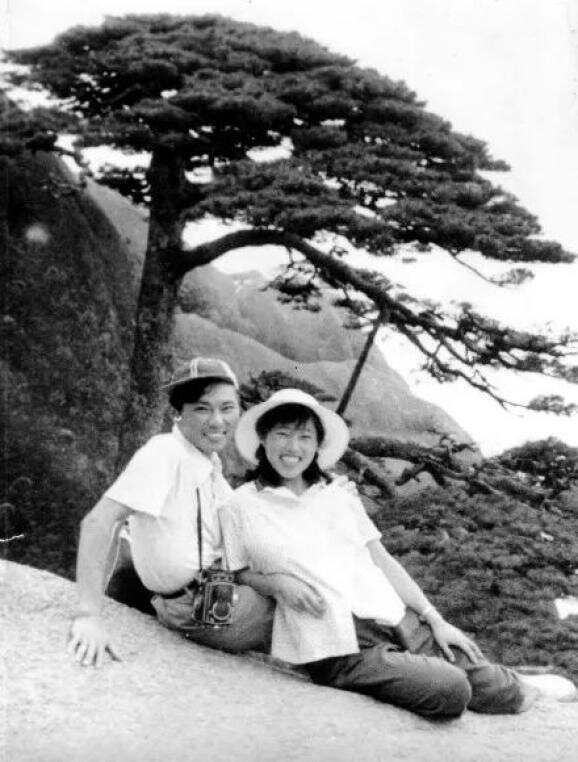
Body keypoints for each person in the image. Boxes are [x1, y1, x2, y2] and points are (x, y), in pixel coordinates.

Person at [219, 388, 536, 719]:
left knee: (500, 689)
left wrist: (435, 619)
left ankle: (520, 683)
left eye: (304, 437)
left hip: (395, 619)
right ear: (263, 438)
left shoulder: (338, 495)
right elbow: (236, 572)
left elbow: (382, 560)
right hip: (339, 645)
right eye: (282, 435)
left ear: (317, 445)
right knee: (451, 688)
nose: (293, 448)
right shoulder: (240, 504)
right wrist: (277, 584)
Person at [67, 357, 274, 668]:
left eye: (227, 408)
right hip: (198, 606)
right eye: (202, 409)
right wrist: (89, 615)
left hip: (209, 594)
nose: (217, 420)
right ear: (178, 413)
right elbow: (99, 522)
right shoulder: (164, 452)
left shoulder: (206, 460)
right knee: (307, 614)